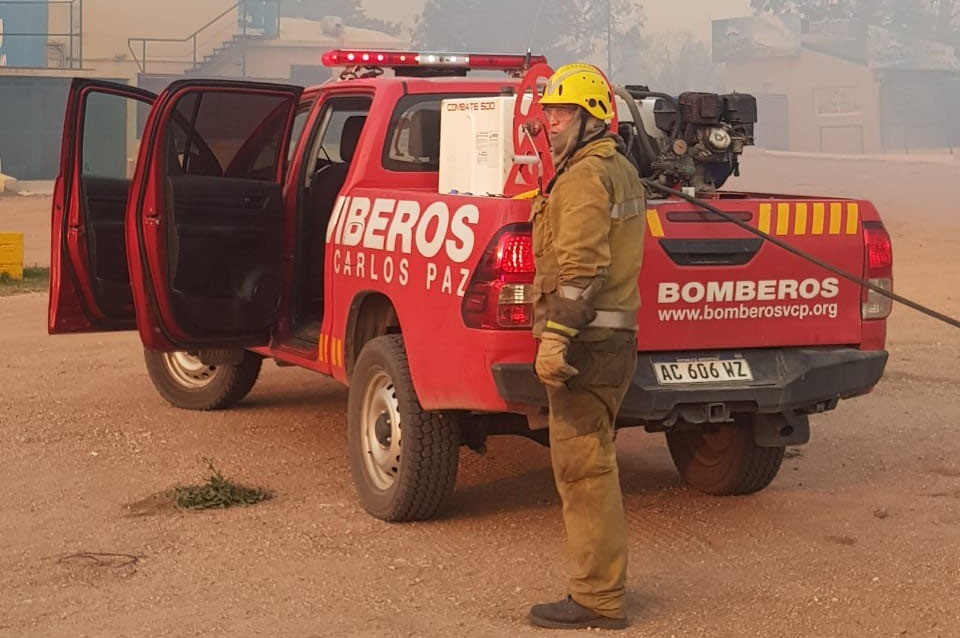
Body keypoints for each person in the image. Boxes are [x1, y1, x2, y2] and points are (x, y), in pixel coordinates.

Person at [527, 63, 646, 631]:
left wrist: (557, 337)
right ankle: (603, 585)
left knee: (584, 472)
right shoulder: (617, 170)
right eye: (548, 111)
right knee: (593, 465)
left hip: (587, 344)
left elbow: (581, 269)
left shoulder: (581, 178)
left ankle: (597, 599)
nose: (551, 122)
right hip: (612, 342)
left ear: (593, 117)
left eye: (563, 112)